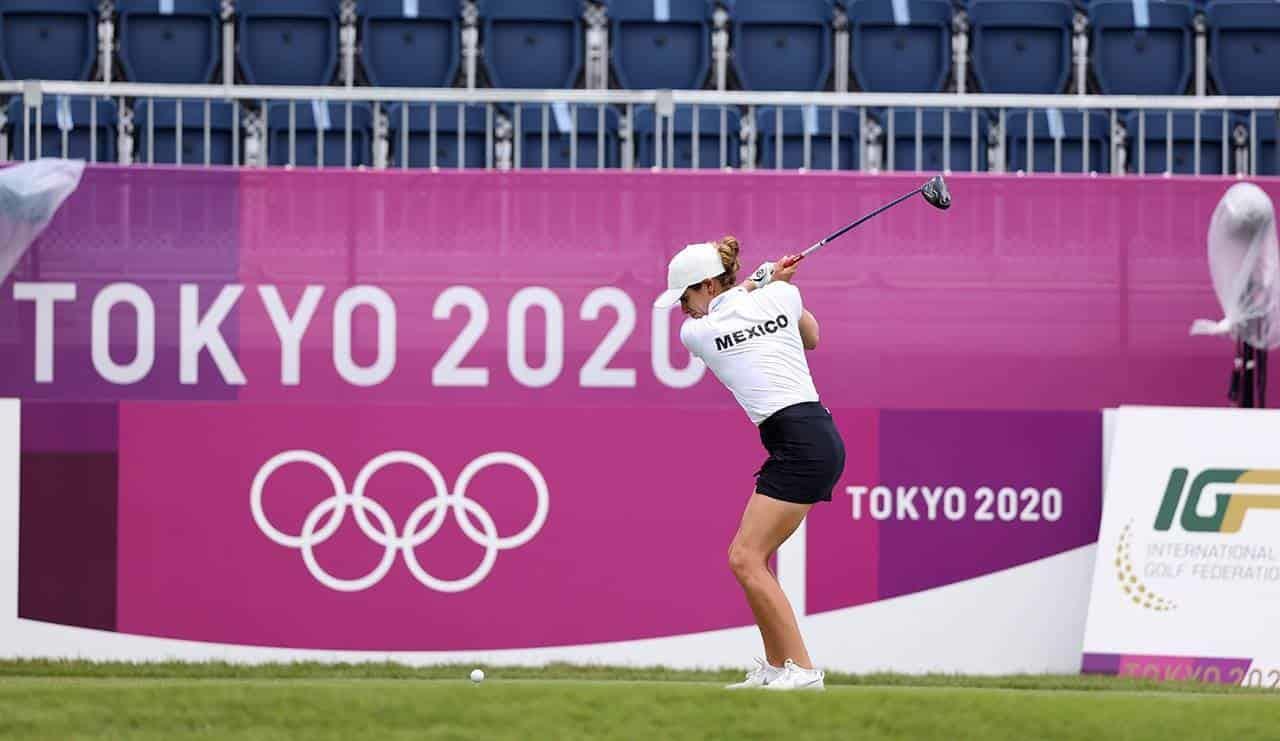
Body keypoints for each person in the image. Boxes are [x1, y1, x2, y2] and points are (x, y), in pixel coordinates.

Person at [653, 237, 846, 691]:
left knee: (745, 558)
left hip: (802, 441)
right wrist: (769, 288)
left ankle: (801, 670)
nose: (683, 310)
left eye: (685, 297)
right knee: (747, 558)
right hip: (807, 437)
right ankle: (779, 669)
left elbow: (796, 334)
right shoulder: (779, 297)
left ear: (705, 285)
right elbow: (811, 335)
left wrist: (758, 287)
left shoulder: (701, 330)